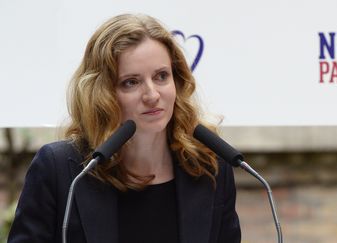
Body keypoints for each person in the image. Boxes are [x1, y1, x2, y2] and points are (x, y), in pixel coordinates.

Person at [8, 13, 241, 243]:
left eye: (161, 76)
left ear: (177, 82)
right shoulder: (61, 169)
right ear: (102, 94)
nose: (152, 95)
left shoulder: (210, 166)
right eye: (131, 82)